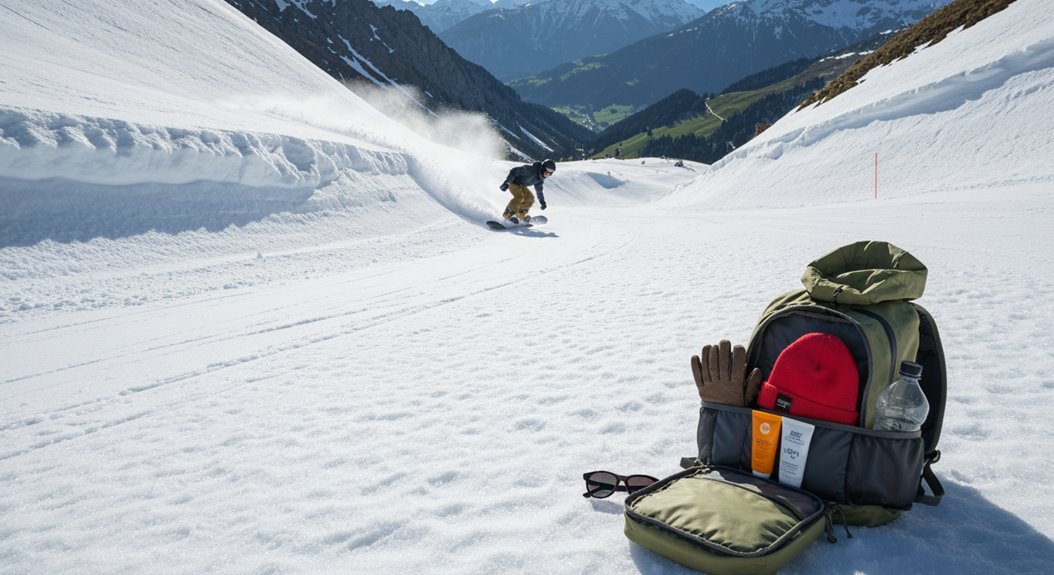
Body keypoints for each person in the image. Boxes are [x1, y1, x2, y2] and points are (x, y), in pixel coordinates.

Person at [499, 159, 555, 224]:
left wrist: (542, 202)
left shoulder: (540, 179)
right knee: (519, 197)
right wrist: (507, 183)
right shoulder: (531, 170)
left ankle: (520, 215)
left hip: (521, 186)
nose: (549, 173)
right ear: (543, 167)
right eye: (548, 170)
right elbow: (514, 171)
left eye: (551, 172)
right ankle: (508, 215)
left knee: (530, 198)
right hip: (513, 182)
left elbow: (539, 191)